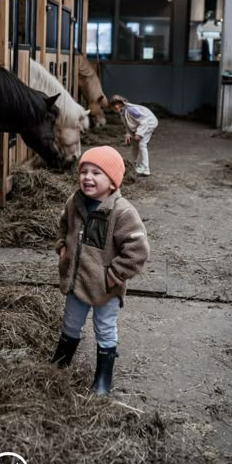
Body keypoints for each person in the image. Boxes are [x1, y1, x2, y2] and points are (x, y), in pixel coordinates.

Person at [50, 146, 149, 395]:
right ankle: (58, 366)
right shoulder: (75, 202)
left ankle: (102, 379)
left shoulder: (122, 211)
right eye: (84, 171)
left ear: (113, 181)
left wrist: (112, 275)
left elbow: (138, 250)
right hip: (77, 282)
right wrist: (62, 246)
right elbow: (63, 224)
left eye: (97, 173)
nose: (87, 177)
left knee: (104, 328)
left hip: (106, 288)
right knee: (71, 323)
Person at [108, 95, 158, 176]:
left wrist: (139, 134)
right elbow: (128, 124)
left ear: (117, 106)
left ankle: (145, 169)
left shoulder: (131, 110)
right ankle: (135, 164)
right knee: (135, 145)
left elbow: (144, 121)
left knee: (142, 144)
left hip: (149, 124)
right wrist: (128, 134)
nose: (113, 110)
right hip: (140, 126)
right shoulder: (123, 113)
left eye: (113, 107)